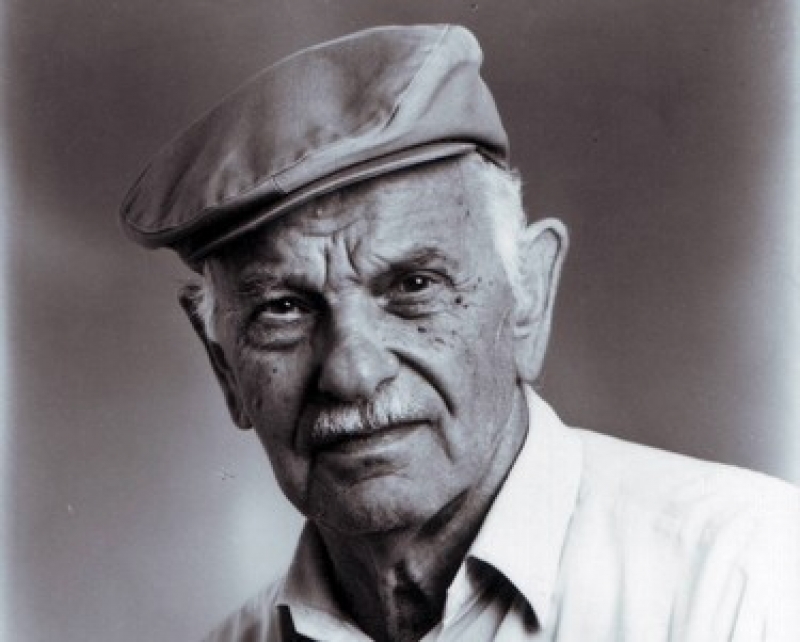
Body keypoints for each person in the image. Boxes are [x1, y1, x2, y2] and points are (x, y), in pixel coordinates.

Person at [120, 24, 800, 642]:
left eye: (414, 285)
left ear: (529, 294)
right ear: (223, 366)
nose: (352, 371)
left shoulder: (746, 580)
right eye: (283, 310)